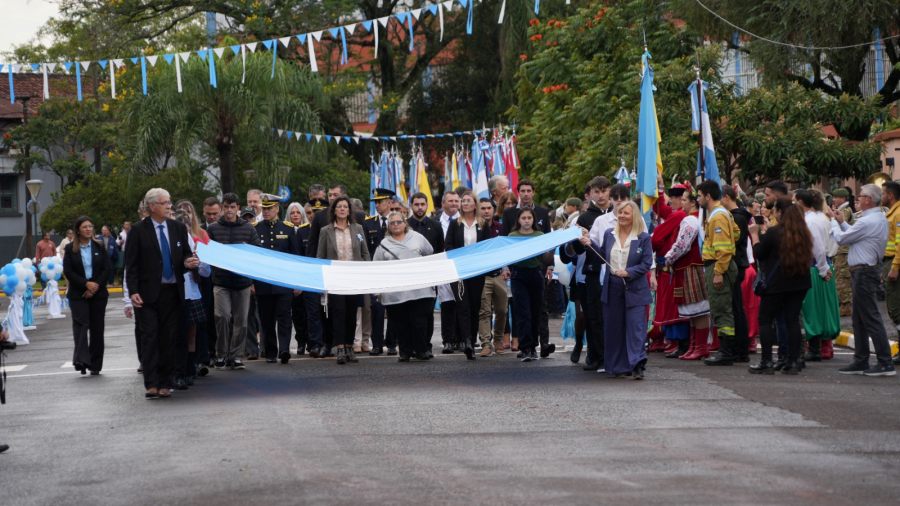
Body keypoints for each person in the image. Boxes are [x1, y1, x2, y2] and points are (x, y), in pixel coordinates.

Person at [125, 188, 197, 399]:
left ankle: (165, 382)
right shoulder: (138, 231)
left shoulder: (177, 228)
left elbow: (184, 255)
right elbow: (132, 265)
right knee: (150, 337)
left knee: (168, 339)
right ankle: (151, 383)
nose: (169, 206)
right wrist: (133, 291)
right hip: (147, 295)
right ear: (152, 206)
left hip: (172, 293)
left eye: (169, 202)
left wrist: (188, 262)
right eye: (165, 203)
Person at [830, 184, 896, 376]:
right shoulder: (873, 218)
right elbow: (854, 236)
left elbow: (843, 239)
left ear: (869, 199)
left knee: (870, 317)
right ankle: (861, 360)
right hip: (865, 270)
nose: (858, 199)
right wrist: (842, 222)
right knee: (859, 318)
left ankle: (884, 362)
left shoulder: (868, 220)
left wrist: (834, 223)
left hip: (864, 271)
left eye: (861, 196)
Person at [748, 199, 813, 375]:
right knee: (792, 320)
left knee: (765, 319)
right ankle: (793, 361)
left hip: (777, 282)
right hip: (799, 282)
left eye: (775, 210)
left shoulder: (774, 232)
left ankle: (766, 361)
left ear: (779, 213)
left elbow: (760, 253)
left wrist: (755, 235)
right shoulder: (803, 233)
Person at [597, 200, 653, 378]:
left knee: (636, 327)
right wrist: (585, 241)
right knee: (614, 328)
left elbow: (646, 263)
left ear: (634, 216)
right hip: (612, 287)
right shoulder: (609, 234)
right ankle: (617, 366)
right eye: (620, 213)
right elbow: (600, 255)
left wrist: (628, 272)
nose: (621, 216)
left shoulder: (643, 237)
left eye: (626, 213)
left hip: (635, 287)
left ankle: (637, 364)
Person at [373, 211, 435, 361]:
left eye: (398, 222)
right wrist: (378, 290)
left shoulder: (417, 237)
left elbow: (430, 252)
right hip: (396, 292)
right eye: (392, 223)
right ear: (388, 226)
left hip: (419, 289)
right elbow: (377, 266)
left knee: (419, 321)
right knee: (400, 323)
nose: (395, 225)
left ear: (404, 223)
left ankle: (421, 350)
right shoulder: (384, 244)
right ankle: (405, 352)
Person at [206, 193, 259, 371]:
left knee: (241, 321)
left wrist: (253, 278)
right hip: (221, 282)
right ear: (222, 208)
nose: (229, 210)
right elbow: (208, 253)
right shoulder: (213, 229)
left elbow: (257, 253)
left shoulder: (248, 228)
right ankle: (221, 354)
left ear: (238, 208)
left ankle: (236, 356)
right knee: (222, 316)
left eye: (233, 207)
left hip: (242, 282)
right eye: (226, 207)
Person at [317, 196, 369, 365]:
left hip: (354, 277)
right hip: (335, 277)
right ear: (334, 210)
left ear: (349, 210)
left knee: (352, 313)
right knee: (338, 312)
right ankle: (339, 348)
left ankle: (349, 347)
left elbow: (365, 253)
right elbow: (321, 256)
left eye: (345, 207)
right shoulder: (326, 230)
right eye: (339, 206)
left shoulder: (358, 229)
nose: (342, 209)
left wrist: (366, 270)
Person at [570, 176, 614, 370]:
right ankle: (595, 356)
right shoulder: (585, 218)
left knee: (610, 316)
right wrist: (578, 240)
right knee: (593, 316)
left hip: (615, 271)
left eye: (604, 191)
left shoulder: (618, 214)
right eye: (597, 191)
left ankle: (612, 356)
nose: (601, 195)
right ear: (591, 194)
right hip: (592, 272)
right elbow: (577, 251)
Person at [696, 180, 741, 366]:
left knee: (722, 309)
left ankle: (726, 352)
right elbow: (736, 233)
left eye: (699, 195)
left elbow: (724, 248)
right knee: (720, 308)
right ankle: (726, 350)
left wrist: (718, 271)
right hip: (718, 265)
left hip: (718, 266)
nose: (697, 199)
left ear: (707, 196)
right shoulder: (722, 214)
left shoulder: (717, 217)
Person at [794, 189, 840, 362]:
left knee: (812, 310)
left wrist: (821, 268)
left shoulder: (809, 220)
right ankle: (825, 347)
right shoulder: (823, 218)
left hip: (816, 267)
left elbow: (817, 247)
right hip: (826, 264)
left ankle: (815, 348)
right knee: (825, 308)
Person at [444, 191, 490, 360]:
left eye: (468, 201)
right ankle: (467, 342)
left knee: (474, 305)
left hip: (477, 271)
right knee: (463, 306)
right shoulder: (455, 224)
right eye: (463, 201)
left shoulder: (483, 224)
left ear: (475, 204)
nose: (464, 203)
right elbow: (448, 246)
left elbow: (487, 246)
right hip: (460, 271)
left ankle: (472, 335)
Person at [63, 216, 111, 376]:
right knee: (81, 326)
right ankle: (82, 360)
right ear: (78, 230)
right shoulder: (70, 249)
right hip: (78, 293)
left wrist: (95, 286)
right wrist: (85, 284)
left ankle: (95, 364)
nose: (88, 229)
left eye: (90, 226)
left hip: (98, 292)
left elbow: (106, 268)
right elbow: (68, 271)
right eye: (85, 227)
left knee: (97, 329)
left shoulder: (99, 246)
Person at [650, 182, 693, 358]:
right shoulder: (677, 214)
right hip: (669, 265)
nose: (674, 200)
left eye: (679, 197)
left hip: (672, 265)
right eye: (673, 196)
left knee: (674, 306)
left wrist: (652, 244)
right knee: (671, 306)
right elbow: (659, 207)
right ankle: (673, 341)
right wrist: (658, 187)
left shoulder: (681, 215)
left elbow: (657, 236)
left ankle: (678, 341)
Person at [254, 195, 298, 364]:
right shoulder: (256, 229)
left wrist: (295, 282)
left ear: (277, 209)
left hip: (283, 281)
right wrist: (252, 282)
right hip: (264, 282)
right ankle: (271, 351)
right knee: (266, 319)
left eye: (269, 208)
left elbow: (295, 258)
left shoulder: (287, 229)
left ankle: (285, 349)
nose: (266, 212)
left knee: (285, 317)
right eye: (264, 208)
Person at [172, 202, 211, 389]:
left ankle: (190, 367)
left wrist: (198, 263)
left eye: (187, 226)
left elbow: (206, 271)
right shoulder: (171, 241)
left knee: (191, 333)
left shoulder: (193, 241)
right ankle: (178, 370)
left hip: (192, 292)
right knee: (177, 333)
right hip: (175, 292)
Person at [408, 192, 444, 358]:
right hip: (409, 277)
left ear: (427, 205)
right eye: (416, 204)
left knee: (427, 312)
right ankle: (412, 345)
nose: (420, 207)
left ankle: (426, 345)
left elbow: (439, 251)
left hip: (430, 276)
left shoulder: (436, 226)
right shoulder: (405, 225)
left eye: (423, 204)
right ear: (411, 205)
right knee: (410, 312)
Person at [508, 208, 547, 362]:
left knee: (535, 311)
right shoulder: (512, 236)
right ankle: (525, 348)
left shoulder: (540, 235)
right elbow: (507, 255)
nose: (526, 220)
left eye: (529, 217)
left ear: (533, 220)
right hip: (518, 275)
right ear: (518, 220)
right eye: (523, 218)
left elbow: (546, 255)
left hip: (536, 274)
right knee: (522, 311)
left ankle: (533, 347)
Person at [364, 188, 398, 356]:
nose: (377, 205)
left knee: (393, 309)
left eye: (380, 201)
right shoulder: (368, 223)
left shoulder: (398, 222)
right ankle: (376, 344)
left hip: (393, 272)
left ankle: (392, 343)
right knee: (376, 310)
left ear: (390, 203)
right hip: (375, 272)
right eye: (375, 202)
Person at [721, 185, 751, 362]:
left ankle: (739, 348)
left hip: (735, 264)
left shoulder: (737, 217)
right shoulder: (736, 216)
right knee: (734, 307)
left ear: (726, 197)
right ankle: (738, 348)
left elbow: (733, 241)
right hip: (736, 264)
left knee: (735, 308)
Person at [477, 197, 509, 356]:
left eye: (488, 208)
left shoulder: (501, 228)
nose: (486, 211)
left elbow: (506, 250)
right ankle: (485, 343)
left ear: (494, 210)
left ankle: (498, 340)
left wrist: (506, 267)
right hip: (482, 276)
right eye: (482, 208)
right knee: (484, 311)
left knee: (502, 310)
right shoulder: (476, 228)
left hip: (499, 274)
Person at [434, 190, 461, 353]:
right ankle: (448, 340)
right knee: (447, 305)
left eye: (456, 201)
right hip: (442, 267)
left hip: (460, 266)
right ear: (443, 203)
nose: (453, 204)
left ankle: (461, 338)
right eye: (450, 201)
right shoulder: (436, 222)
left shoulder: (464, 221)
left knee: (462, 305)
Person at [285, 201, 310, 356]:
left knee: (309, 313)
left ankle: (310, 341)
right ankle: (300, 342)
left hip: (307, 277)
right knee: (297, 314)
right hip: (290, 277)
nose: (295, 215)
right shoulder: (285, 230)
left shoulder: (308, 230)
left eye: (298, 212)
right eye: (292, 212)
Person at [880, 181, 900, 366]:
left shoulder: (898, 214)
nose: (881, 196)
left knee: (895, 309)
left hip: (895, 263)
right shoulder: (892, 213)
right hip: (890, 261)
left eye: (883, 192)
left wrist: (895, 267)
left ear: (890, 195)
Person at [831, 187, 855, 317]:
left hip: (843, 251)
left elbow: (837, 222)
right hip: (840, 250)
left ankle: (846, 306)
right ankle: (844, 305)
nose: (834, 199)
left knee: (843, 279)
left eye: (836, 197)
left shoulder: (845, 210)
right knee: (839, 277)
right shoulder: (841, 210)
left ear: (843, 198)